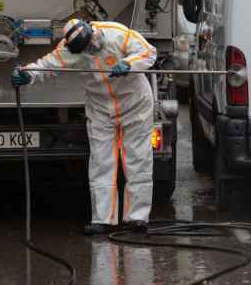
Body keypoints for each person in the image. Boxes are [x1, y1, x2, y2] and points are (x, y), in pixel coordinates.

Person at [11, 18, 157, 235]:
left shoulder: (116, 33)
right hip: (100, 108)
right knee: (101, 162)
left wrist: (129, 64)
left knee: (137, 159)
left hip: (134, 104)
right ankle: (103, 220)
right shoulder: (69, 52)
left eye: (92, 43)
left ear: (93, 31)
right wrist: (27, 74)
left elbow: (148, 52)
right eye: (86, 49)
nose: (92, 49)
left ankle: (137, 218)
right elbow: (47, 65)